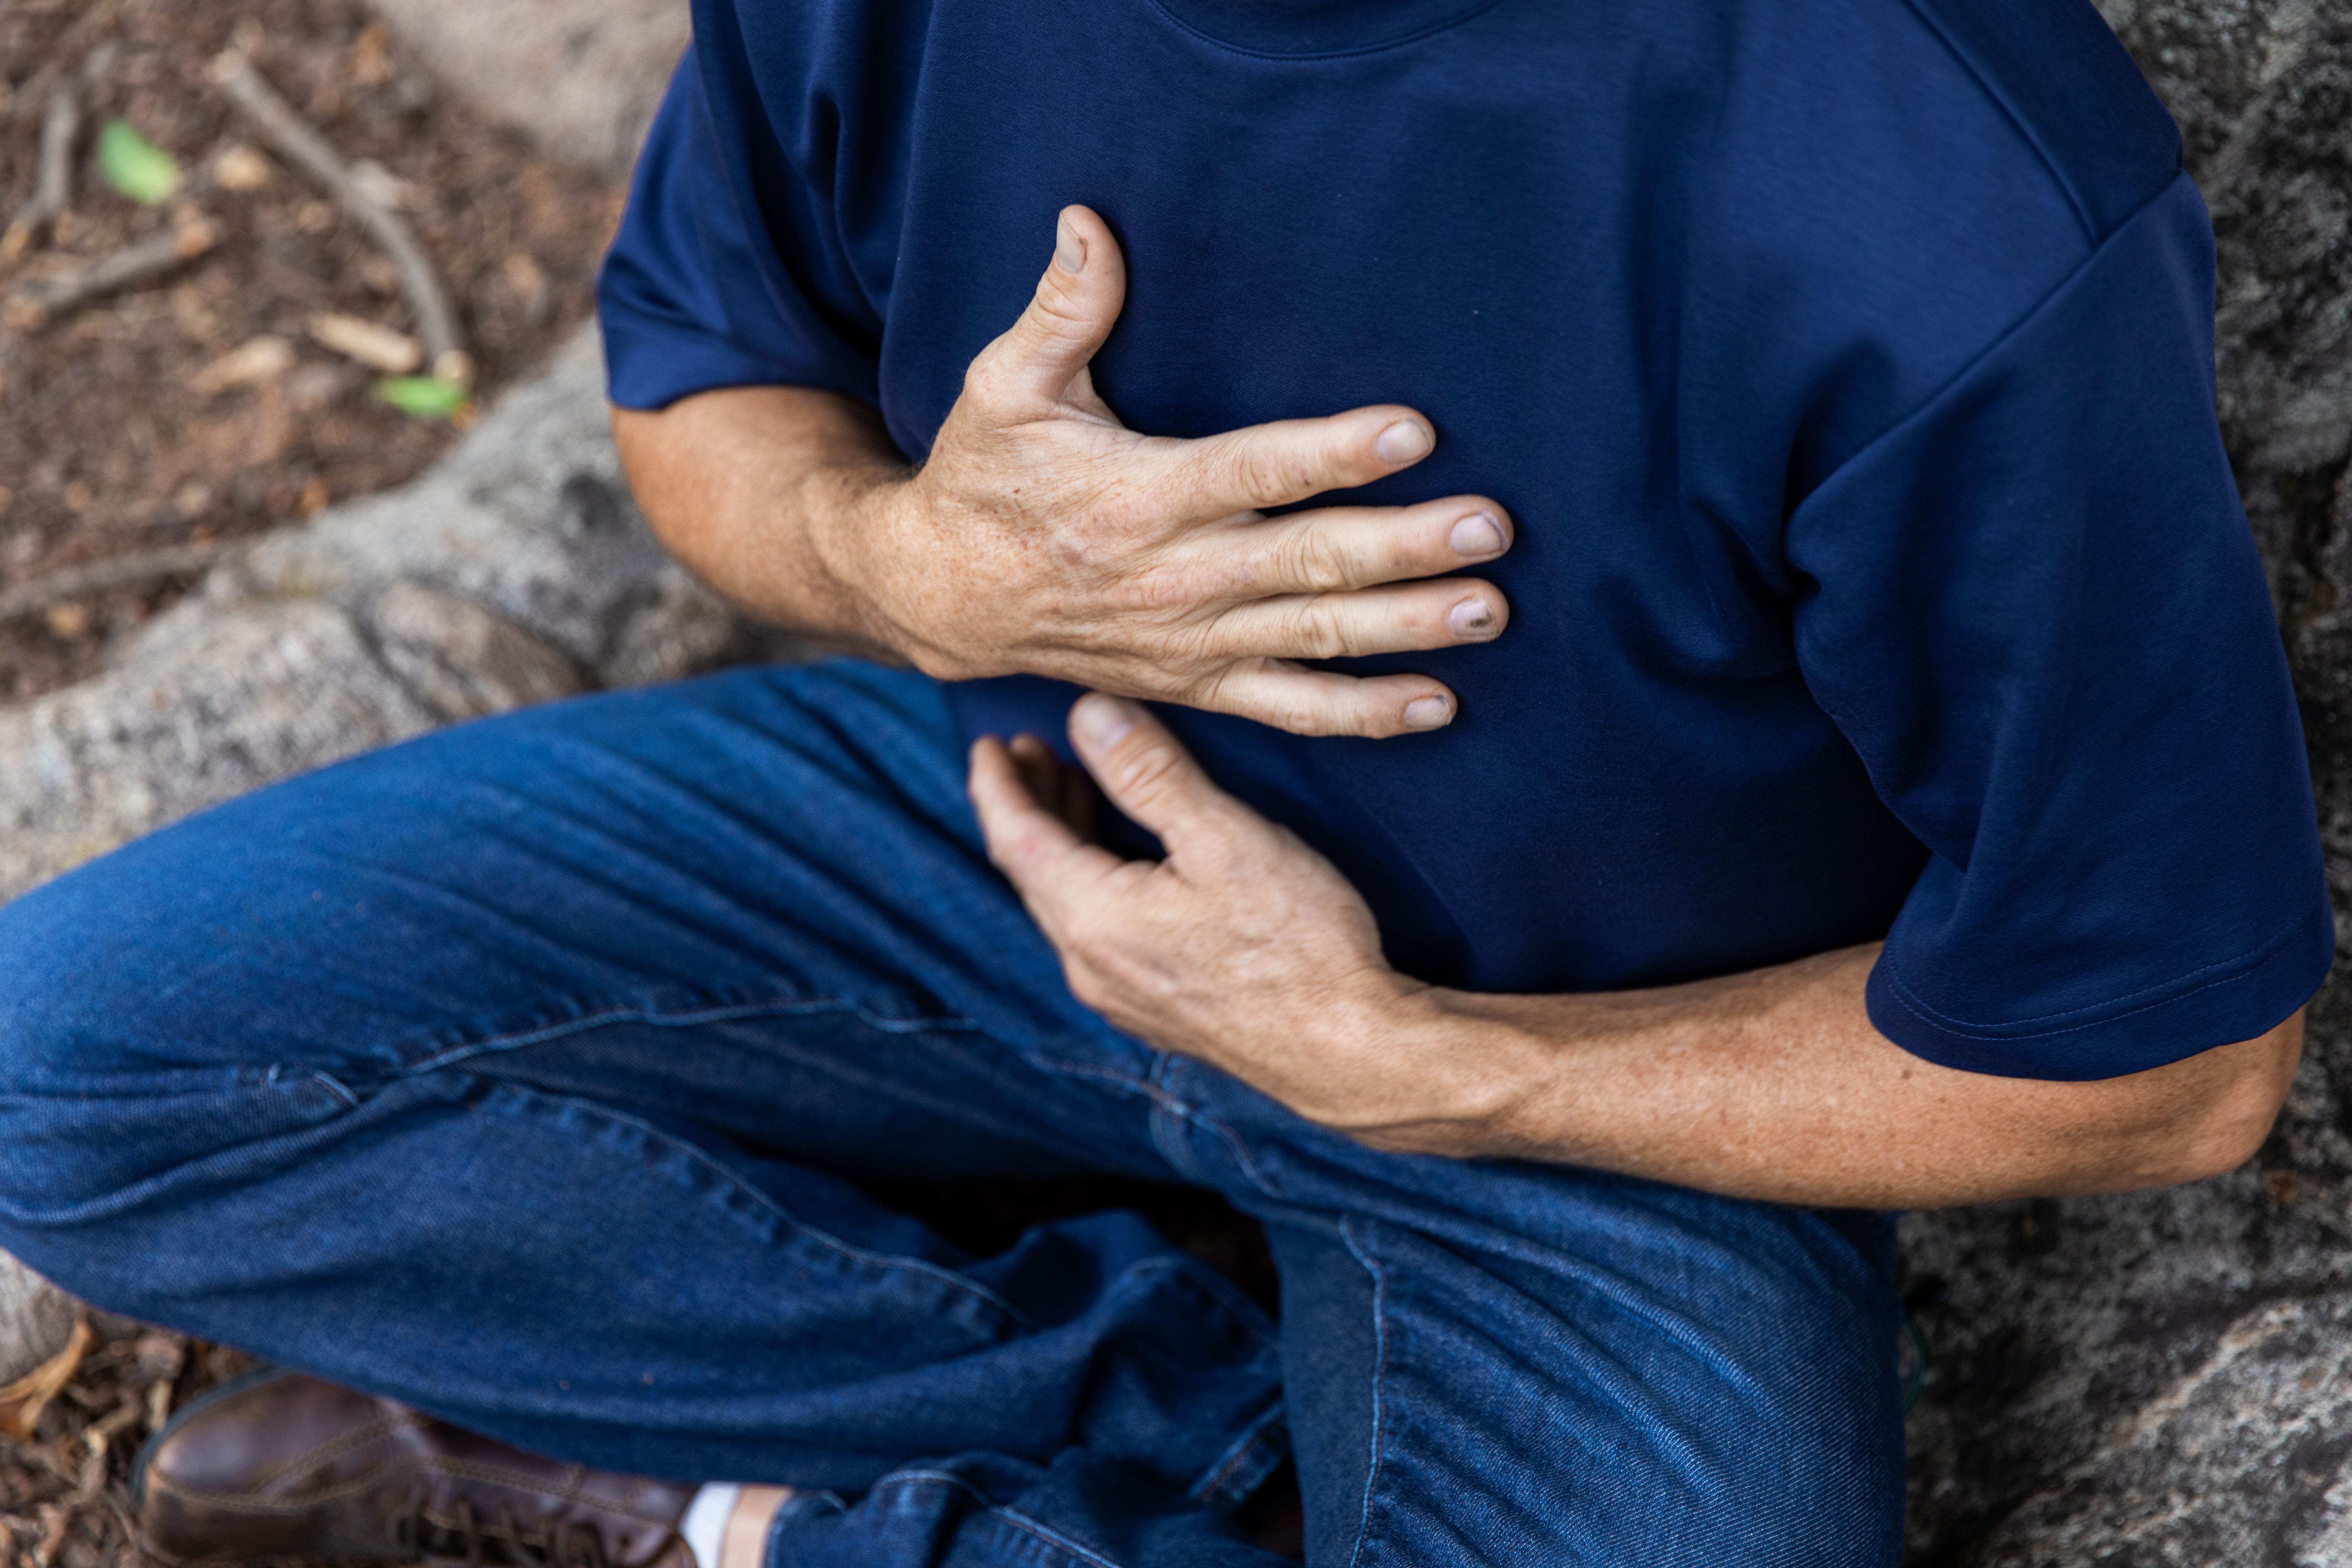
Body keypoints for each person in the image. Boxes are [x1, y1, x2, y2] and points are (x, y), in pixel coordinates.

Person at [0, 0, 2329, 1562]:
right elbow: (708, 391)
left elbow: (2164, 1065)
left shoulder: (1925, 184)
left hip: (1592, 1097)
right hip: (992, 836)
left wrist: (1428, 1070)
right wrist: (905, 558)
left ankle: (756, 1510)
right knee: (71, 1071)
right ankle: (1173, 1407)